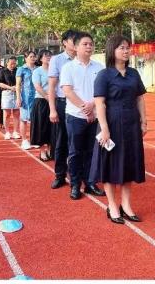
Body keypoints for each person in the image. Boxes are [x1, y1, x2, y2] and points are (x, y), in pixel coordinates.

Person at [91, 33, 147, 224]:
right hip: (112, 124)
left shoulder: (133, 73)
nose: (126, 51)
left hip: (131, 125)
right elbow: (99, 103)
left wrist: (144, 121)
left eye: (127, 47)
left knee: (129, 164)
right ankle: (112, 206)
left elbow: (139, 98)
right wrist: (104, 129)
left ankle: (126, 205)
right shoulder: (104, 75)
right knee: (110, 165)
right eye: (121, 47)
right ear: (112, 50)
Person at [61, 33, 104, 201]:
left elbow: (102, 91)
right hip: (75, 116)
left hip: (96, 115)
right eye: (85, 44)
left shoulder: (99, 67)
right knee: (75, 152)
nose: (89, 46)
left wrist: (92, 106)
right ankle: (75, 184)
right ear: (76, 47)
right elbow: (68, 91)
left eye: (91, 44)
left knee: (92, 152)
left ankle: (90, 183)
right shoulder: (68, 68)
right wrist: (86, 109)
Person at [48, 29, 78, 188]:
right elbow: (52, 86)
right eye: (74, 40)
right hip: (62, 103)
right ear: (65, 42)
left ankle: (80, 175)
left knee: (78, 140)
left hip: (79, 104)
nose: (77, 43)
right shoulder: (57, 60)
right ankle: (60, 174)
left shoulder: (82, 58)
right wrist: (52, 109)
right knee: (62, 140)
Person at [30, 49, 52, 160]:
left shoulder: (54, 70)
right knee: (41, 127)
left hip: (53, 101)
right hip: (41, 101)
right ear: (41, 58)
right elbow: (38, 87)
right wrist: (47, 97)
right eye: (46, 56)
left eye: (50, 55)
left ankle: (50, 150)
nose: (49, 57)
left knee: (52, 127)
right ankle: (42, 151)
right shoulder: (37, 71)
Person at [16, 50, 37, 151]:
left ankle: (34, 140)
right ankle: (24, 140)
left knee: (35, 119)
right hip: (26, 97)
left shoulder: (38, 68)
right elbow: (18, 85)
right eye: (30, 56)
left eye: (34, 56)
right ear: (25, 58)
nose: (33, 58)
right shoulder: (21, 69)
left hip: (37, 96)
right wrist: (18, 98)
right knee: (24, 119)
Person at [0, 56, 20, 141]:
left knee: (16, 113)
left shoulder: (18, 70)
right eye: (11, 63)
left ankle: (15, 132)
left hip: (17, 93)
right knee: (7, 114)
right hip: (6, 93)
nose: (13, 65)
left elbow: (21, 81)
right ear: (7, 63)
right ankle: (7, 132)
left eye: (14, 63)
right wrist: (10, 87)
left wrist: (17, 87)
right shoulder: (2, 71)